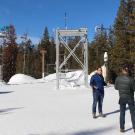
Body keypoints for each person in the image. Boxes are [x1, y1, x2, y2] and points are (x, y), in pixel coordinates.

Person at [115, 65, 135, 133]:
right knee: (132, 113)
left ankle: (122, 128)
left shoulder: (118, 78)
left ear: (122, 70)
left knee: (122, 113)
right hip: (130, 98)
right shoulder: (131, 79)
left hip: (122, 97)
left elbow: (116, 87)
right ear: (127, 71)